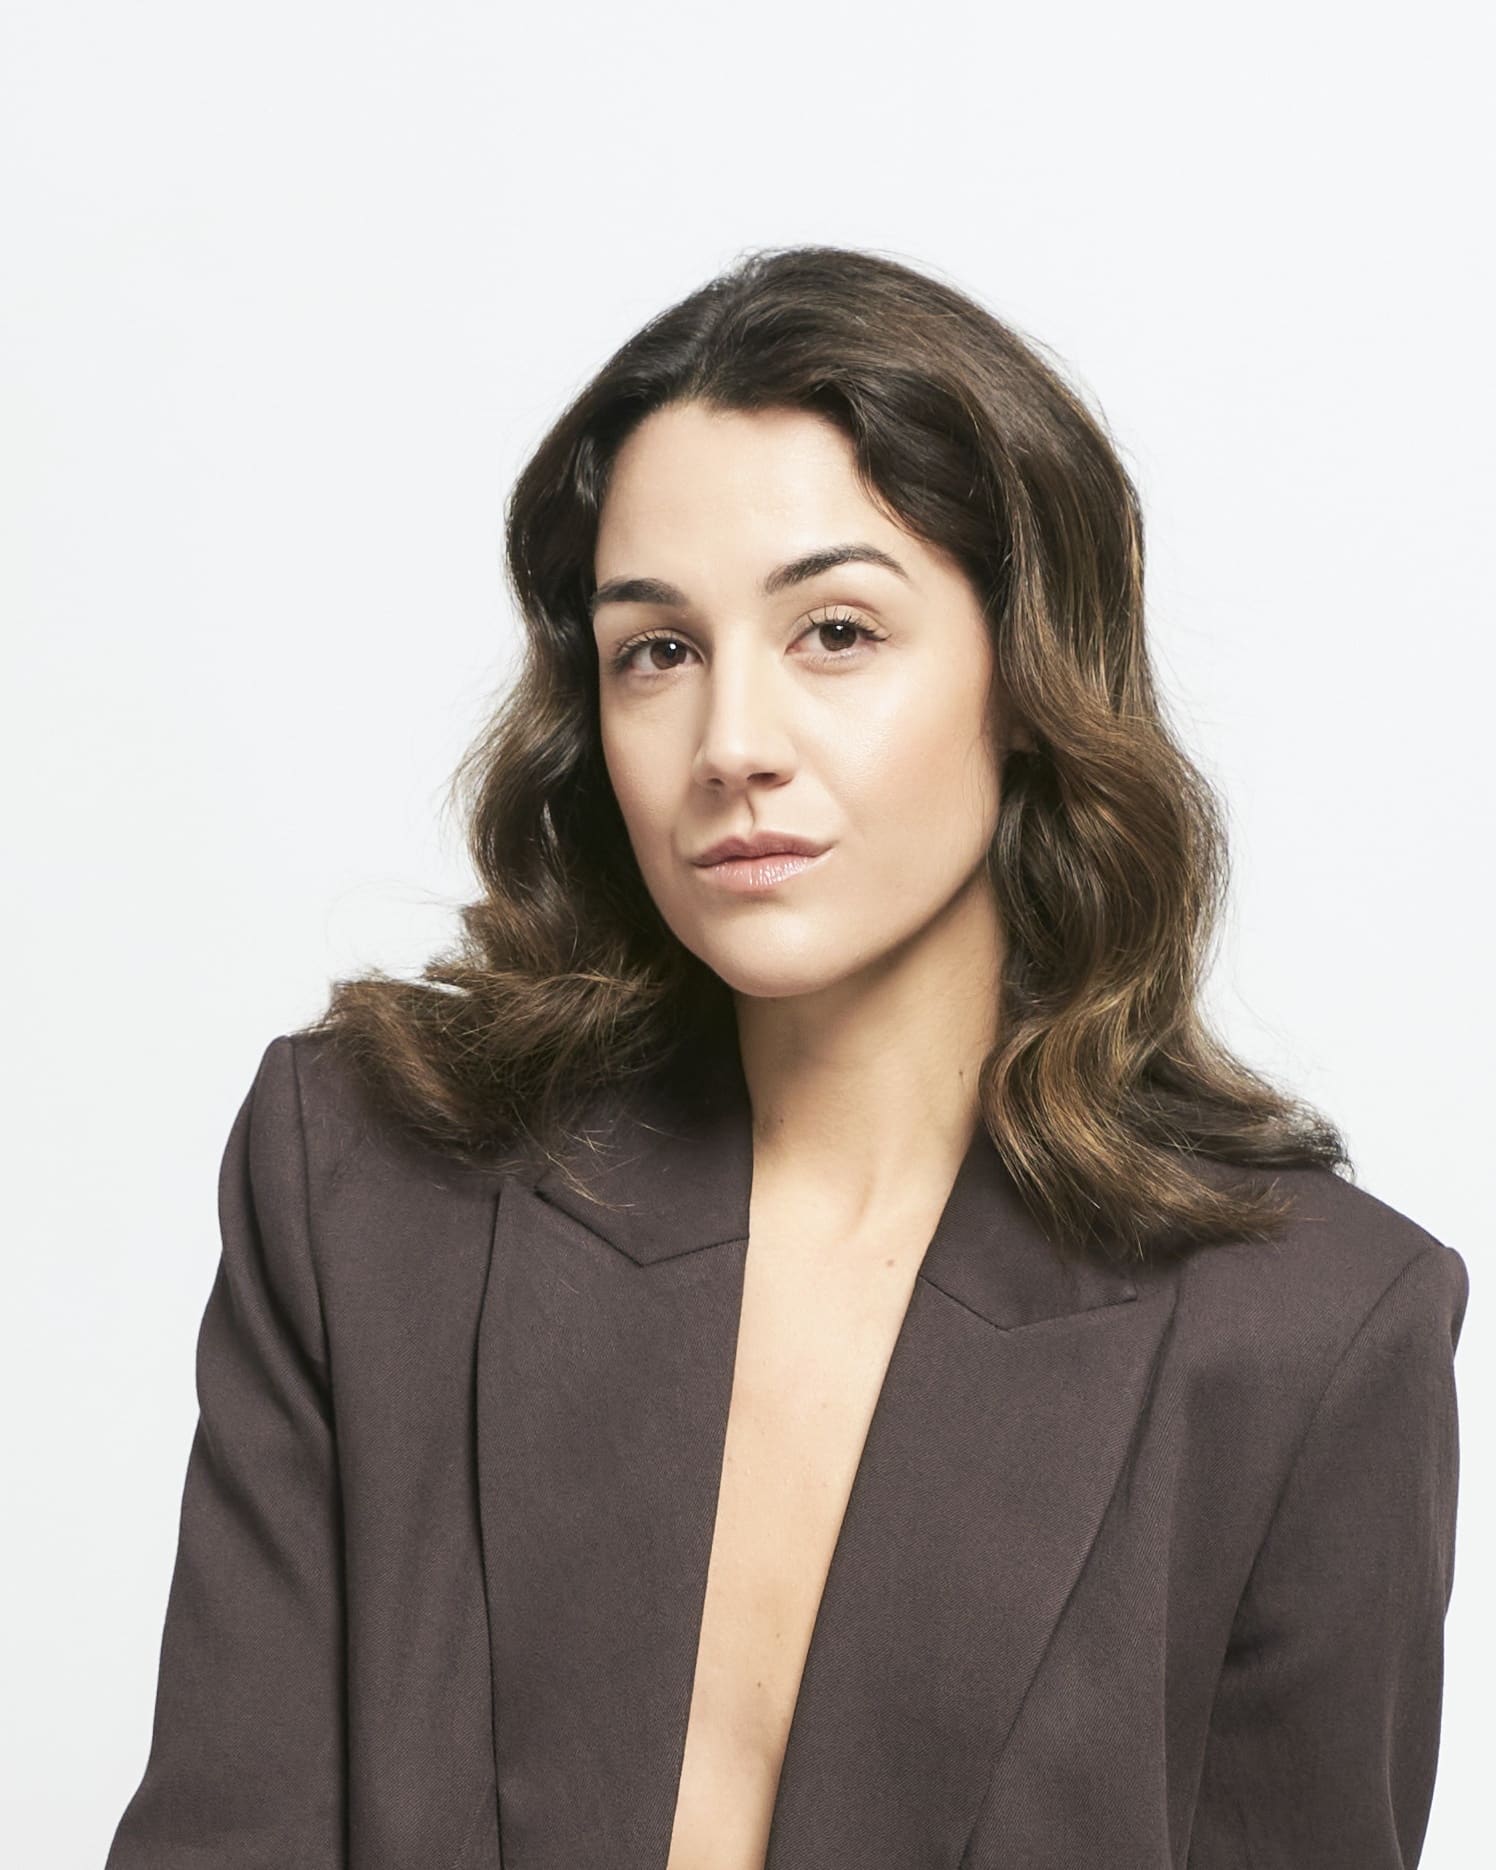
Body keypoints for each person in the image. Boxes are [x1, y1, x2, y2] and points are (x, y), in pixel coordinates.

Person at [105, 244, 1469, 1870]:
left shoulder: (1308, 1335)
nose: (732, 743)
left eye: (834, 630)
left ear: (1027, 676)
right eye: (656, 651)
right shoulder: (362, 1184)